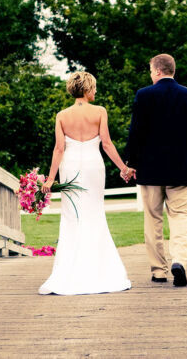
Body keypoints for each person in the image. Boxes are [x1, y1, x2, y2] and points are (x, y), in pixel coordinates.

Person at [38, 71, 131, 295]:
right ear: (88, 89)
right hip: (93, 167)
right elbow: (107, 144)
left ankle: (70, 271)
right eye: (94, 87)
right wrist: (123, 168)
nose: (96, 92)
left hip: (69, 167)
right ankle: (99, 270)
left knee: (72, 217)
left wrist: (51, 178)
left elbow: (59, 149)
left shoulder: (62, 115)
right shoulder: (100, 112)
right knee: (95, 213)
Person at [123, 54, 187, 287]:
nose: (150, 74)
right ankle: (179, 260)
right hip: (181, 168)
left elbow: (136, 132)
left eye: (151, 70)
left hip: (150, 169)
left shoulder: (144, 95)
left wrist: (131, 162)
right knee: (180, 216)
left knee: (153, 219)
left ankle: (159, 270)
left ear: (158, 71)